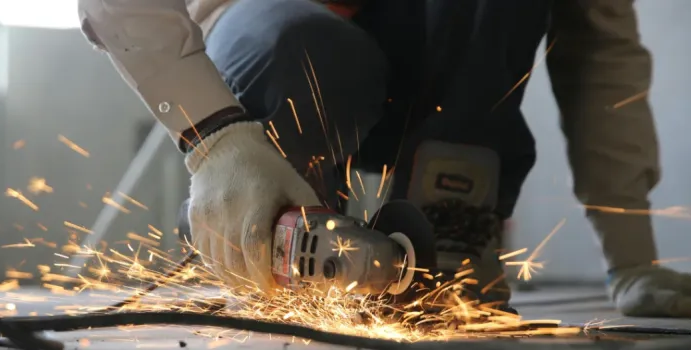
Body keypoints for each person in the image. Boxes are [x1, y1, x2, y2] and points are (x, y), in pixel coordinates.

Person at [78, 0, 692, 317]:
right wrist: (213, 138)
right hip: (280, 45)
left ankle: (450, 231)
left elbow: (601, 53)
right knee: (305, 44)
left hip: (448, 84)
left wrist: (631, 257)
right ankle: (275, 238)